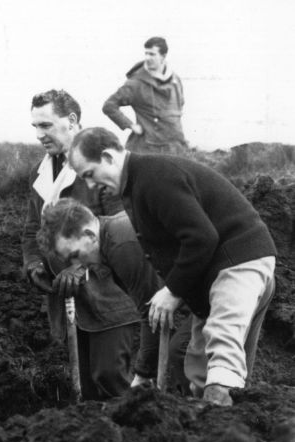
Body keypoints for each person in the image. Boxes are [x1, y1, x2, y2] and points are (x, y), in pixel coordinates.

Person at [68, 127, 277, 406]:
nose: (91, 186)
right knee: (198, 364)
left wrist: (173, 291)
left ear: (107, 156)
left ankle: (224, 431)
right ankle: (224, 430)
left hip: (238, 262)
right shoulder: (135, 186)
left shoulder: (154, 177)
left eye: (89, 175)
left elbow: (201, 237)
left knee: (223, 350)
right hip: (219, 272)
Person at [23, 89, 141, 400]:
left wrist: (78, 267)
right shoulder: (40, 172)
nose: (39, 134)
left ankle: (142, 433)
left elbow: (121, 229)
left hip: (109, 296)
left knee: (110, 376)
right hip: (66, 297)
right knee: (88, 387)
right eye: (35, 126)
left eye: (46, 125)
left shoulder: (96, 164)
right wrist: (34, 262)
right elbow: (32, 228)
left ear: (72, 121)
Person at [36, 199, 163, 385]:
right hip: (187, 296)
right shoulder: (109, 247)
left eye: (75, 256)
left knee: (180, 361)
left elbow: (154, 312)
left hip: (207, 290)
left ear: (90, 235)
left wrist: (143, 374)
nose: (78, 265)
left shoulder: (122, 245)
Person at [102, 37, 187, 154]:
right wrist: (131, 125)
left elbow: (180, 105)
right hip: (149, 148)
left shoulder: (175, 80)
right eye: (146, 53)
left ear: (163, 56)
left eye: (152, 54)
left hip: (174, 146)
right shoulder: (136, 83)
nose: (147, 58)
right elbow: (109, 106)